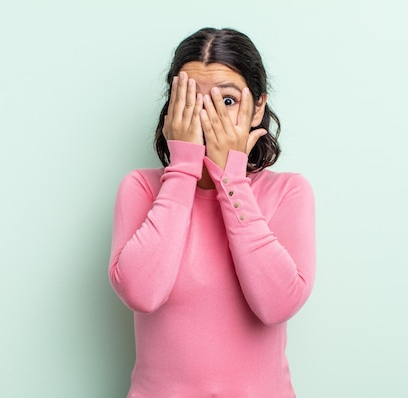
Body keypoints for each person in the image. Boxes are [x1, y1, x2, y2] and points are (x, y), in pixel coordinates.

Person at [108, 27, 316, 397]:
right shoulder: (140, 188)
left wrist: (232, 181)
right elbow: (141, 293)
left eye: (229, 101)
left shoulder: (289, 192)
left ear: (258, 107)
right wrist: (184, 167)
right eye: (191, 100)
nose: (208, 117)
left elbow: (277, 305)